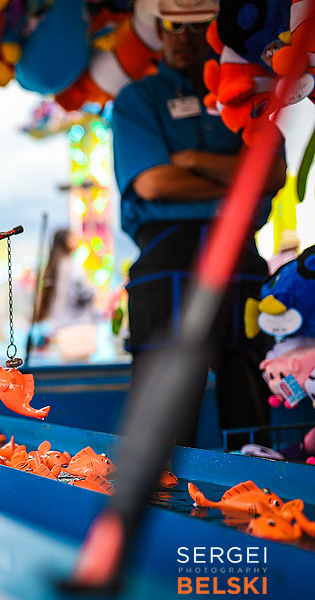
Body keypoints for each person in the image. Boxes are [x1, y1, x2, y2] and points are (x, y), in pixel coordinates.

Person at [111, 0, 286, 448]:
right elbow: (153, 183)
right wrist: (240, 180)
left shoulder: (251, 91)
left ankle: (260, 488)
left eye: (197, 25)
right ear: (158, 28)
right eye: (174, 24)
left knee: (253, 415)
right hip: (167, 260)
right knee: (162, 431)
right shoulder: (137, 99)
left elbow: (272, 173)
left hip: (240, 262)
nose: (185, 37)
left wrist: (190, 161)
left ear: (215, 28)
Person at [34, 229, 98, 362]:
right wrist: (94, 291)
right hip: (78, 324)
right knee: (81, 367)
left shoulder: (54, 266)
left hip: (61, 325)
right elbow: (82, 293)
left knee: (69, 366)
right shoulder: (71, 266)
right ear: (66, 241)